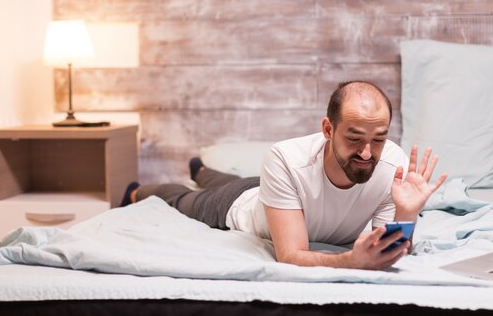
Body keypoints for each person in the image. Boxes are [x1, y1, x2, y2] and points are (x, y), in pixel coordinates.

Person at [122, 81, 447, 270]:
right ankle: (140, 190)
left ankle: (203, 169)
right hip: (238, 205)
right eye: (354, 138)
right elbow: (290, 255)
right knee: (183, 199)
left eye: (378, 139)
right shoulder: (284, 159)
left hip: (271, 193)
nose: (366, 153)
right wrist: (350, 259)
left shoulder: (393, 165)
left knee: (225, 178)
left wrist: (407, 213)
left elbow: (388, 248)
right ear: (327, 129)